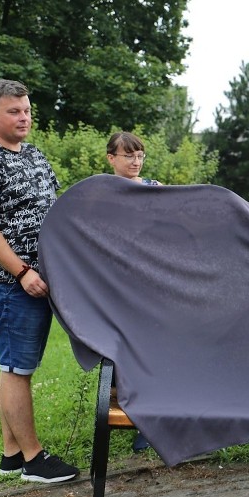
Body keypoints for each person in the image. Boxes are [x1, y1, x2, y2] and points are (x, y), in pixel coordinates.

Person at [0, 79, 79, 483]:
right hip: (10, 283)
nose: (24, 117)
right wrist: (23, 271)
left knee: (11, 366)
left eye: (27, 109)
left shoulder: (34, 156)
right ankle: (33, 460)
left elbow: (57, 212)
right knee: (17, 370)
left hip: (39, 279)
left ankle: (11, 455)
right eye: (14, 111)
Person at [106, 131, 160, 452]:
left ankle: (152, 421)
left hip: (152, 284)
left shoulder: (155, 190)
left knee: (153, 349)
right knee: (122, 351)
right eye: (129, 156)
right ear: (112, 158)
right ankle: (129, 413)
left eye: (140, 156)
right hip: (117, 286)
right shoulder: (99, 193)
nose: (136, 162)